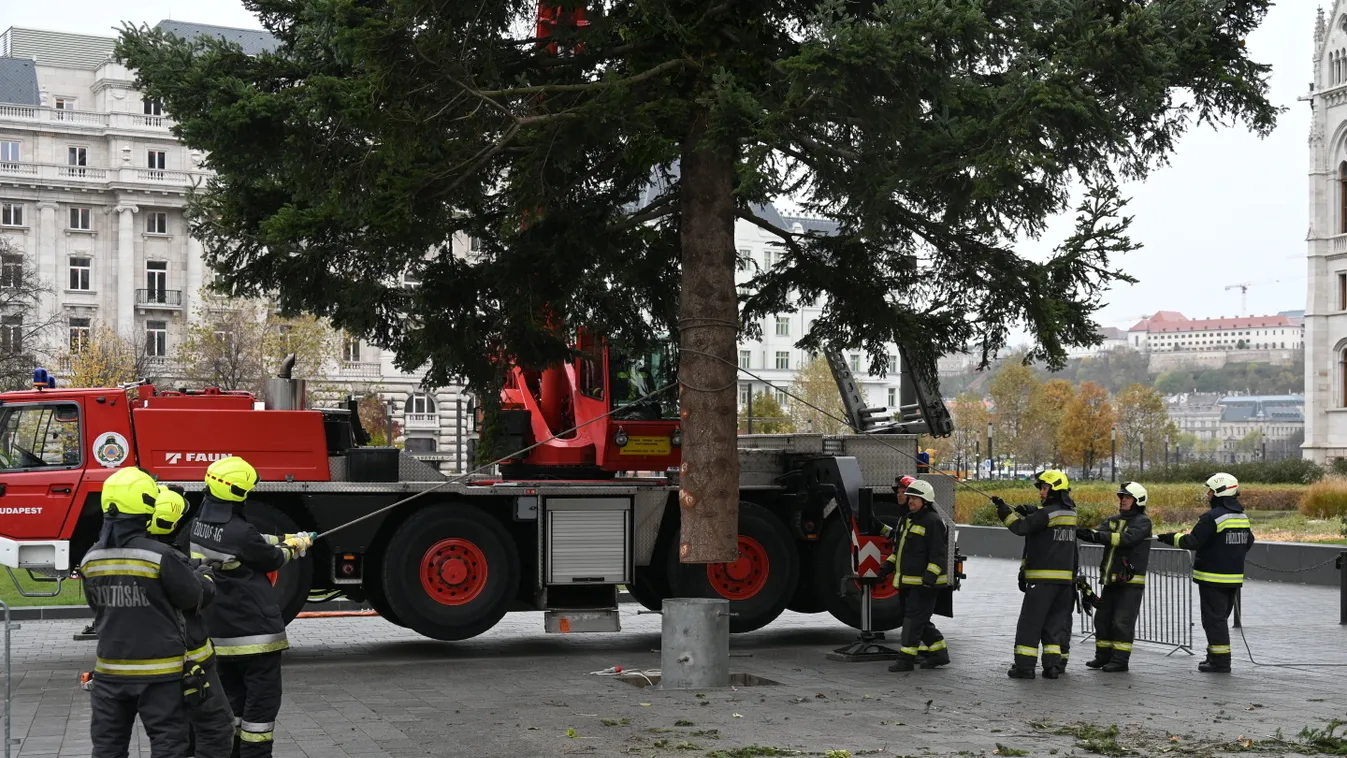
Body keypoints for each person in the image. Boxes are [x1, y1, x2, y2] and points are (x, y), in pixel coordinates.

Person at [81, 466, 214, 758]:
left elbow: (97, 606)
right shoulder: (159, 556)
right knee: (168, 744)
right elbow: (192, 598)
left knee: (107, 747)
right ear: (146, 508)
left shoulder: (91, 559)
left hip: (109, 674)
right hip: (160, 676)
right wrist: (203, 577)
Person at [189, 456, 312, 756]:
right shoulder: (241, 534)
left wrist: (283, 537)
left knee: (233, 703)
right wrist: (297, 545)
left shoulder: (199, 526)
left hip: (221, 636)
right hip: (256, 638)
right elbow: (271, 558)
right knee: (261, 711)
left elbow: (252, 542)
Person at [149, 484, 236, 758]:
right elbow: (196, 595)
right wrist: (205, 575)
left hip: (151, 668)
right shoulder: (168, 559)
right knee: (217, 728)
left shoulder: (122, 555)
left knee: (173, 734)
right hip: (190, 664)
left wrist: (190, 568)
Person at [1156, 472, 1254, 673]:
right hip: (1233, 578)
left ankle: (1220, 662)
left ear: (1219, 492)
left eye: (1210, 490)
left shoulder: (1213, 517)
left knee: (1213, 621)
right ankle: (1214, 656)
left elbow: (1192, 541)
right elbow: (1248, 541)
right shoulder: (1241, 516)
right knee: (1220, 619)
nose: (1208, 494)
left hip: (1212, 578)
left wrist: (1169, 537)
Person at [993, 469, 1078, 680]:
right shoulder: (1070, 513)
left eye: (1044, 488)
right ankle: (1052, 667)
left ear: (1054, 490)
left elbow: (1021, 527)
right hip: (1064, 583)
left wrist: (1004, 511)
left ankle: (1025, 667)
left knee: (1030, 624)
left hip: (1042, 581)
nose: (1041, 492)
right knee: (1053, 625)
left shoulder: (1047, 514)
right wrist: (1031, 510)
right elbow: (1044, 524)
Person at [1076, 481, 1153, 672]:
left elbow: (1126, 539)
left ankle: (1120, 661)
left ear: (1138, 500)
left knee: (1122, 622)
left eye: (1127, 497)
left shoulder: (1143, 522)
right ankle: (1102, 657)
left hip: (1130, 583)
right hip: (1111, 581)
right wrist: (1079, 531)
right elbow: (1099, 534)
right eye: (1121, 497)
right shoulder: (1113, 520)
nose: (1122, 500)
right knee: (1102, 619)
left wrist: (1100, 536)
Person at [878, 479, 950, 672]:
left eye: (914, 498)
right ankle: (939, 653)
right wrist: (887, 566)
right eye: (910, 497)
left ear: (925, 500)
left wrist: (929, 577)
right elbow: (899, 550)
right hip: (906, 582)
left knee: (912, 620)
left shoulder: (933, 522)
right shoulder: (907, 520)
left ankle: (906, 660)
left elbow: (938, 554)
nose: (910, 501)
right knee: (919, 620)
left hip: (924, 584)